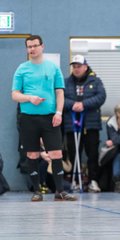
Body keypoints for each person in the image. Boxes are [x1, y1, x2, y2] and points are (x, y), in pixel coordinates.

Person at [11, 35, 76, 201]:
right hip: (28, 118)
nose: (32, 49)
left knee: (56, 153)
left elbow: (60, 92)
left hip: (50, 118)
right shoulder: (22, 69)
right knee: (32, 154)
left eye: (34, 45)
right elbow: (15, 95)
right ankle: (37, 191)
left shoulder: (53, 68)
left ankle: (60, 191)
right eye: (29, 46)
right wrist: (29, 98)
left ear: (42, 46)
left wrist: (59, 112)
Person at [63, 55, 106, 193]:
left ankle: (93, 181)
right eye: (74, 67)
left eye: (79, 66)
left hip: (90, 125)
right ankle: (75, 180)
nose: (76, 69)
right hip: (72, 124)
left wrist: (83, 104)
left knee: (92, 153)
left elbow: (101, 96)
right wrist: (73, 104)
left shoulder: (95, 81)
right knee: (74, 152)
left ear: (85, 67)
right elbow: (60, 98)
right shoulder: (67, 82)